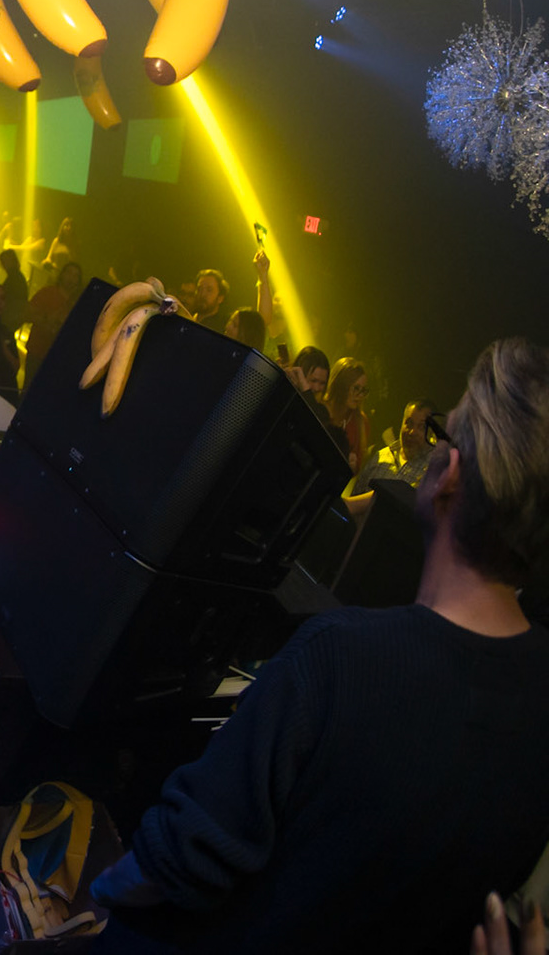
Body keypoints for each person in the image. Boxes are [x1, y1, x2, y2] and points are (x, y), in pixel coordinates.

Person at [91, 337, 549, 954]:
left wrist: (97, 892)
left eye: (445, 433)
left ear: (450, 476)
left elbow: (175, 861)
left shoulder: (342, 657)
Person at [323, 357, 372, 478]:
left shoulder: (361, 423)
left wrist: (352, 468)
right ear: (342, 385)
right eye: (356, 388)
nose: (360, 395)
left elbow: (356, 469)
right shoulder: (321, 408)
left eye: (363, 390)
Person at [193, 267, 231, 333]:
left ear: (220, 298)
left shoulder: (221, 329)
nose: (203, 294)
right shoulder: (187, 316)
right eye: (199, 289)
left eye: (209, 290)